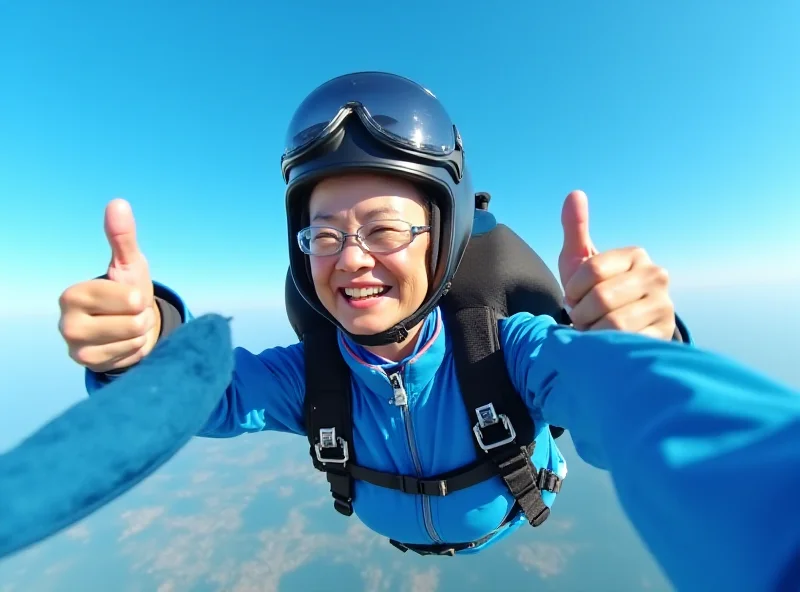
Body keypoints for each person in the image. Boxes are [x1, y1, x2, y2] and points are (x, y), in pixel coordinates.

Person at [60, 73, 692, 553]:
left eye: (385, 230)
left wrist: (643, 352)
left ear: (442, 242)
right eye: (325, 236)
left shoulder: (508, 352)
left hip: (510, 515)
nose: (352, 260)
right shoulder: (314, 379)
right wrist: (145, 350)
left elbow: (626, 428)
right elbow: (209, 398)